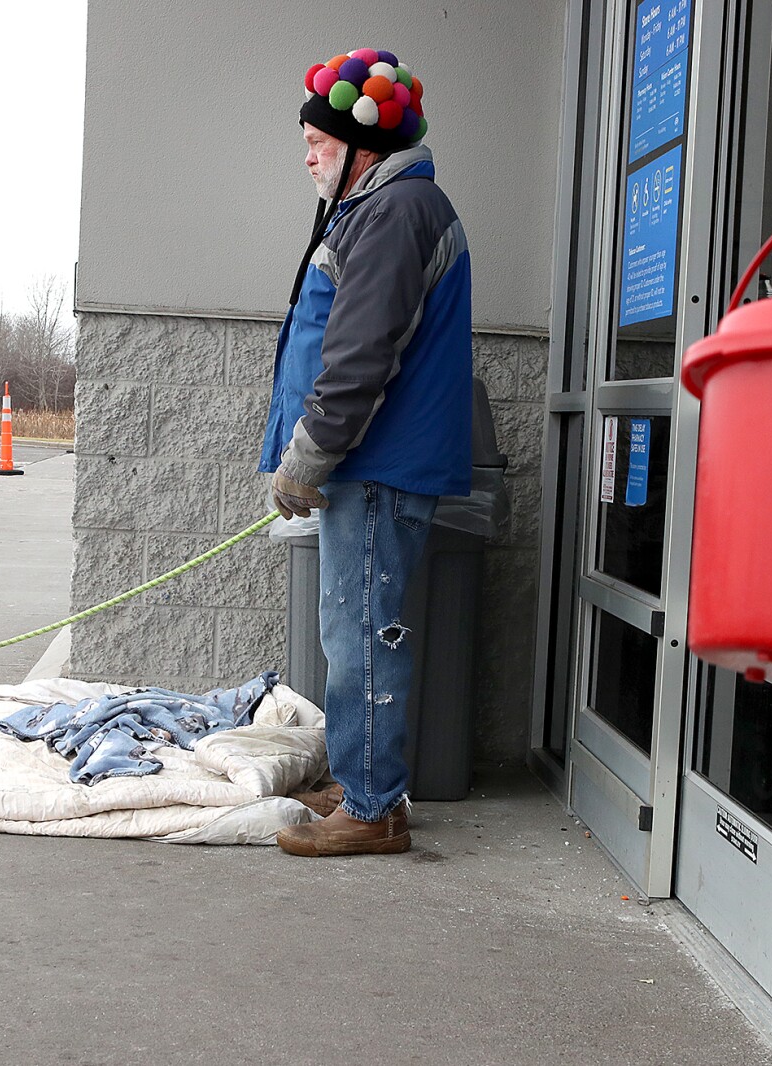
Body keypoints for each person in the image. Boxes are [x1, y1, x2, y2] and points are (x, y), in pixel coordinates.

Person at [261, 48, 473, 857]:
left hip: (378, 466)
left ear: (364, 148)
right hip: (373, 463)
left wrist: (305, 459)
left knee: (360, 637)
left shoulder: (392, 214)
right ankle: (362, 784)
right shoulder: (383, 210)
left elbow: (358, 358)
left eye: (318, 141)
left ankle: (375, 808)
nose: (308, 155)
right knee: (353, 634)